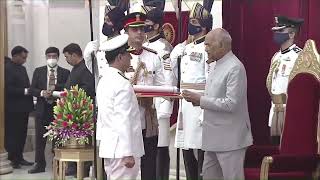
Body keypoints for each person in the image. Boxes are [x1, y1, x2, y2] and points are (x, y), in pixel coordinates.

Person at [182, 28, 253, 180]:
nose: (205, 49)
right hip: (212, 137)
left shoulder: (235, 67)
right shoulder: (216, 64)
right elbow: (214, 96)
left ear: (221, 45)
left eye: (208, 45)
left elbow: (231, 104)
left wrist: (200, 100)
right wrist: (197, 99)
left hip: (230, 139)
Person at [123, 4, 166, 180]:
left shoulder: (154, 56)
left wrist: (160, 113)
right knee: (128, 165)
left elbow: (163, 87)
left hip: (148, 117)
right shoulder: (119, 56)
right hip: (127, 117)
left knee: (150, 163)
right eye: (135, 30)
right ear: (126, 31)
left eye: (142, 29)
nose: (139, 33)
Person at [171, 3, 212, 180]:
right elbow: (175, 73)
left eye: (194, 21)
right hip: (185, 105)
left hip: (200, 104)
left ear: (203, 25)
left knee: (201, 150)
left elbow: (210, 79)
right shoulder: (185, 48)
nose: (191, 24)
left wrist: (205, 108)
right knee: (187, 149)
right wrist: (177, 52)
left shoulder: (207, 48)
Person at [97, 34, 144, 180]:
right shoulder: (121, 83)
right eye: (128, 55)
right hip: (122, 150)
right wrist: (127, 152)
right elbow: (123, 119)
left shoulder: (104, 80)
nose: (130, 58)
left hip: (110, 147)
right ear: (119, 57)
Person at [143, 5, 174, 180]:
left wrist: (164, 107)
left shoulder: (164, 47)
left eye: (147, 23)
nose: (144, 27)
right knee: (147, 147)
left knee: (160, 147)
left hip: (159, 105)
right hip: (145, 105)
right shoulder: (144, 45)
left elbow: (168, 79)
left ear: (156, 26)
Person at [28, 47, 70, 173]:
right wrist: (42, 92)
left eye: (54, 56)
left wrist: (54, 90)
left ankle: (58, 164)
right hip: (42, 109)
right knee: (40, 139)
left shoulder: (65, 72)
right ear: (46, 57)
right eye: (49, 56)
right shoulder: (39, 71)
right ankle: (39, 164)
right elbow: (32, 89)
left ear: (58, 57)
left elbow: (67, 88)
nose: (51, 58)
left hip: (57, 109)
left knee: (58, 139)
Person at [266, 15, 304, 145]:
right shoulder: (276, 57)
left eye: (280, 31)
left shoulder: (300, 56)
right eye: (276, 31)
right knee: (276, 149)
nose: (277, 34)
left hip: (290, 112)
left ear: (292, 34)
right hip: (275, 110)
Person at [63, 43, 95, 176]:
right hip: (74, 110)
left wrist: (73, 94)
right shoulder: (75, 68)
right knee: (74, 140)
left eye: (67, 57)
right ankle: (73, 166)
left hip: (83, 111)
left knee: (83, 142)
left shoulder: (85, 68)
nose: (66, 60)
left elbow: (88, 88)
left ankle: (83, 168)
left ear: (74, 55)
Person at [4, 46, 34, 168]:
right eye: (23, 57)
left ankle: (19, 157)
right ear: (15, 56)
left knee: (22, 134)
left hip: (23, 108)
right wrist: (25, 91)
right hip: (12, 109)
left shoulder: (22, 69)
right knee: (13, 135)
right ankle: (12, 158)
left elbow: (27, 85)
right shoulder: (7, 68)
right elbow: (8, 89)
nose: (25, 60)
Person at [84, 5, 125, 84]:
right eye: (104, 20)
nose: (105, 23)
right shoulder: (100, 46)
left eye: (108, 21)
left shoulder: (123, 45)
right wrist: (87, 56)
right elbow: (95, 72)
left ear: (116, 23)